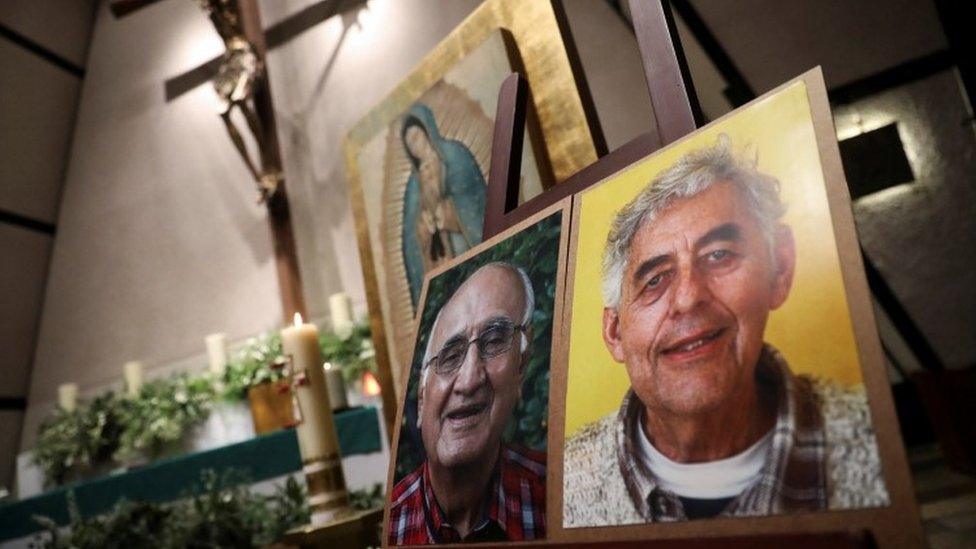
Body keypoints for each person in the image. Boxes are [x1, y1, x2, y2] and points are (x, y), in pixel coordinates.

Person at [563, 135, 889, 527]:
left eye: (718, 256)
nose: (687, 298)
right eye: (654, 279)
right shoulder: (563, 483)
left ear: (779, 268)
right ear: (614, 332)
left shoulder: (874, 439)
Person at [389, 263, 546, 544]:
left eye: (495, 340)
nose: (469, 380)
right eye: (450, 358)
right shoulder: (390, 522)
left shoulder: (556, 496)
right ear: (422, 398)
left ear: (521, 367)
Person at [400, 103, 487, 309]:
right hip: (439, 257)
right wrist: (423, 225)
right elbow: (409, 237)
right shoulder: (414, 183)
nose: (415, 146)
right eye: (409, 144)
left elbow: (475, 200)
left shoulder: (455, 155)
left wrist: (448, 212)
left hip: (461, 243)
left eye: (416, 137)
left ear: (427, 131)